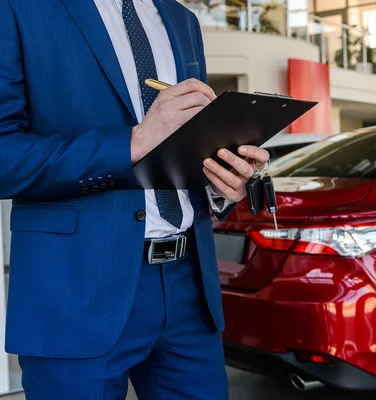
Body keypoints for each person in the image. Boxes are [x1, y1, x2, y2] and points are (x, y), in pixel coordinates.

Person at [0, 0, 270, 398]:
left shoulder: (183, 20)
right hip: (75, 291)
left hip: (189, 290)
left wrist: (219, 186)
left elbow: (185, 145)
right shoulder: (18, 8)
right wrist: (134, 141)